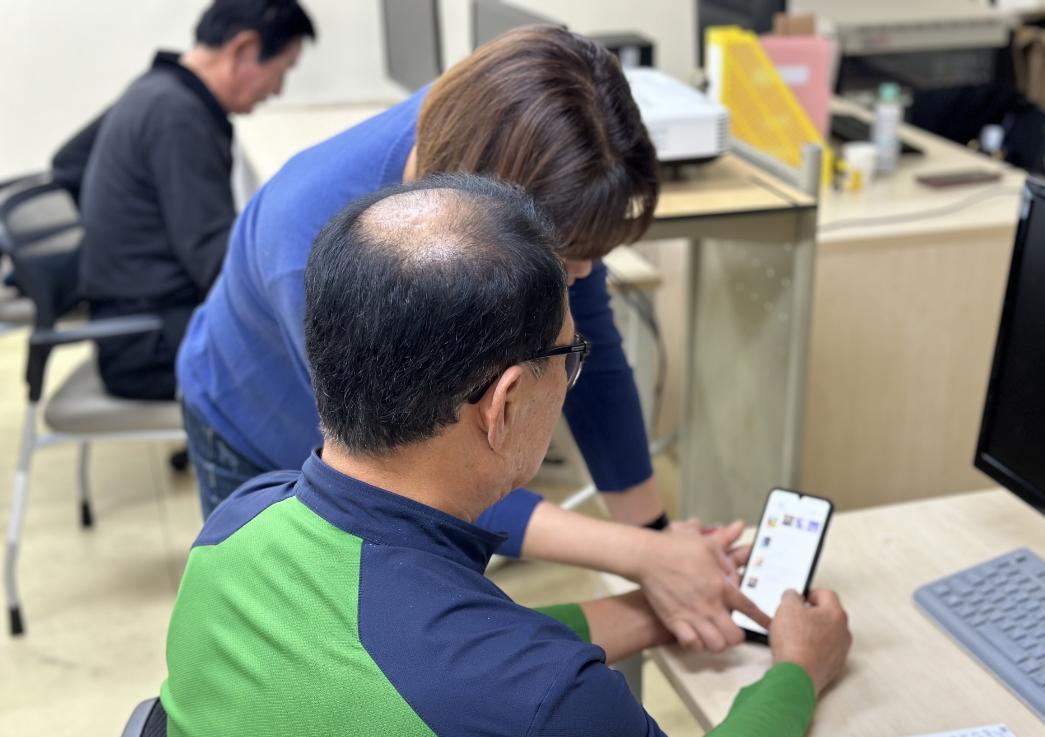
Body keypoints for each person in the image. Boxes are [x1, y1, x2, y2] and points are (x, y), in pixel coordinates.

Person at [162, 174, 853, 737]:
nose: (573, 376)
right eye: (569, 354)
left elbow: (430, 663)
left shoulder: (235, 528)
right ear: (507, 403)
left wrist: (652, 612)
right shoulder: (546, 711)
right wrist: (797, 670)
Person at [177, 24, 753, 654]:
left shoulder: (503, 148)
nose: (582, 276)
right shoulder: (312, 240)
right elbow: (410, 473)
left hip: (384, 440)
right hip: (252, 414)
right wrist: (639, 554)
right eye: (569, 260)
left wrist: (656, 535)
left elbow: (592, 356)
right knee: (307, 645)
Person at [72, 0, 314, 400]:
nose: (278, 89)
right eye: (282, 70)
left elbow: (66, 163)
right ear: (243, 49)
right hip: (149, 346)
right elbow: (213, 260)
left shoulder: (154, 90)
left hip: (139, 325)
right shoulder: (178, 115)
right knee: (327, 371)